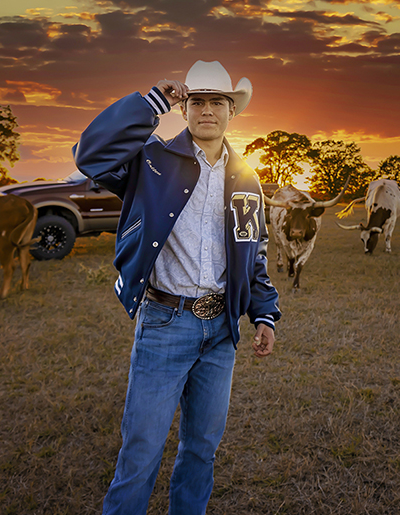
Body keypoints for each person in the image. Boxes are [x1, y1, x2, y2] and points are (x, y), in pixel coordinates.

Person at [73, 60, 281, 515]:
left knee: (201, 449)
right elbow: (90, 155)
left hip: (222, 330)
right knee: (142, 452)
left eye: (218, 102)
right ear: (185, 108)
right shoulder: (152, 162)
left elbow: (254, 251)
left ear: (232, 111)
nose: (208, 110)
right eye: (198, 101)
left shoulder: (247, 178)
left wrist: (263, 312)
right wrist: (150, 103)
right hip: (165, 322)